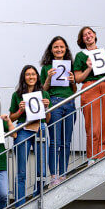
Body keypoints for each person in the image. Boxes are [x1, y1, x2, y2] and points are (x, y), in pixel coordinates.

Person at [9, 65, 51, 199]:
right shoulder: (17, 95)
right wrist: (20, 111)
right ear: (23, 77)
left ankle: (37, 197)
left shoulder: (44, 93)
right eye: (28, 74)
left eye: (33, 74)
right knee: (21, 171)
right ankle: (19, 203)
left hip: (40, 128)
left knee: (42, 170)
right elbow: (11, 117)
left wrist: (47, 107)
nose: (31, 77)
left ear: (37, 77)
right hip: (23, 129)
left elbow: (47, 119)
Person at [39, 36, 77, 182]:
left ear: (66, 49)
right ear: (51, 50)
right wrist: (48, 78)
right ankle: (54, 175)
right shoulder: (46, 67)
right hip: (54, 103)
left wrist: (73, 81)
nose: (59, 49)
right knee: (55, 141)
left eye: (61, 47)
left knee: (66, 142)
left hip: (69, 103)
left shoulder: (70, 66)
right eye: (56, 47)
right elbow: (43, 90)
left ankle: (63, 174)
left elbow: (74, 90)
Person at [73, 26, 105, 160]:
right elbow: (78, 79)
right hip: (90, 88)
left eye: (90, 33)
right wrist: (89, 68)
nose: (88, 36)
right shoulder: (81, 56)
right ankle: (92, 157)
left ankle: (100, 156)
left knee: (104, 126)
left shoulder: (104, 52)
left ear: (95, 35)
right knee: (93, 127)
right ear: (82, 40)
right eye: (85, 35)